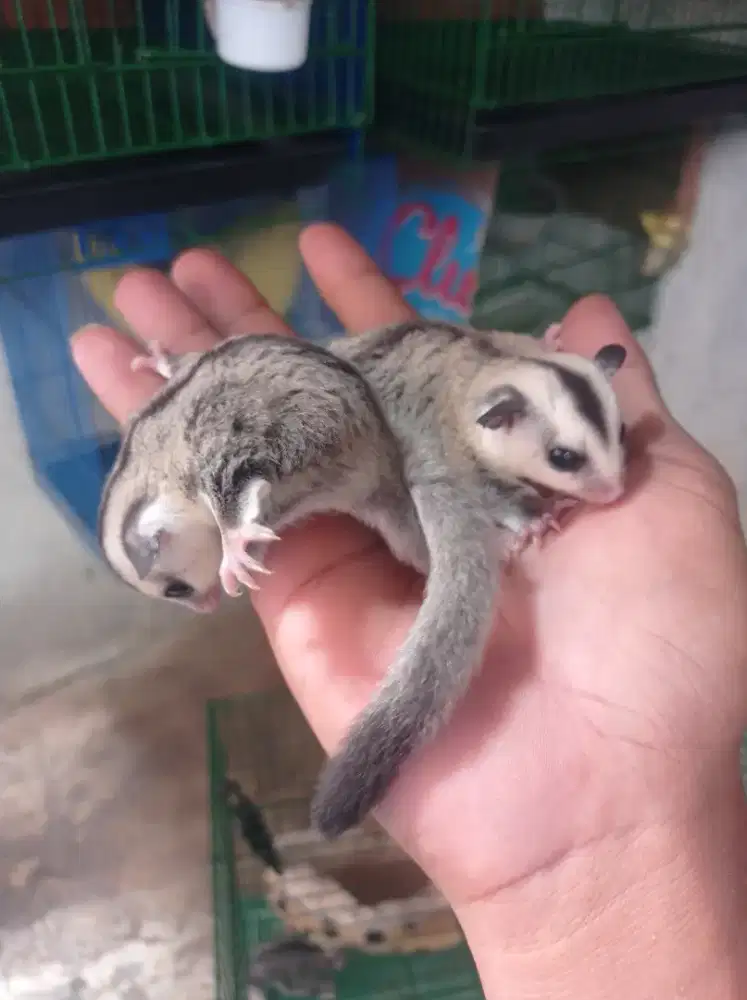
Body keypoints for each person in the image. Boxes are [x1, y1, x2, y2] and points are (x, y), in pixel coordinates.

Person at [72, 223, 747, 996]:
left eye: (606, 451)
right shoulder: (475, 421)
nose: (610, 489)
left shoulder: (496, 405)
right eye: (570, 462)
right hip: (374, 414)